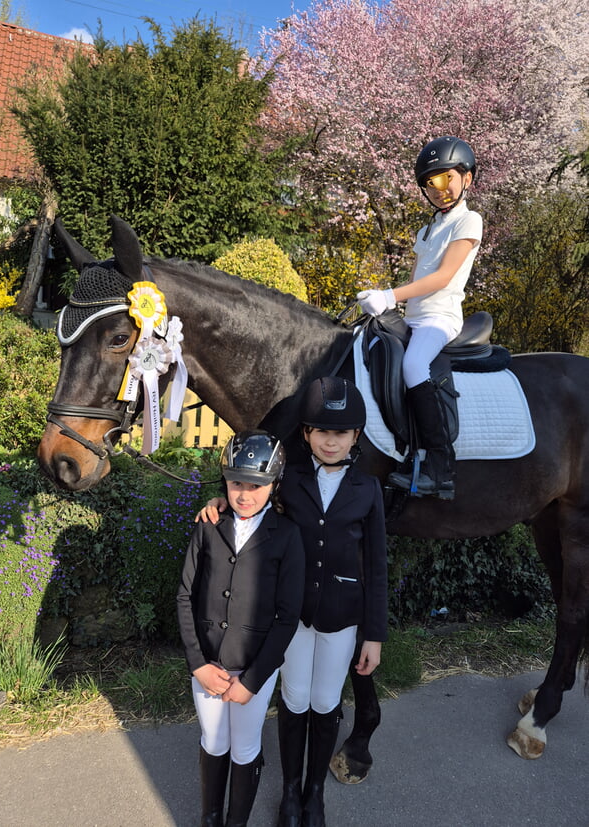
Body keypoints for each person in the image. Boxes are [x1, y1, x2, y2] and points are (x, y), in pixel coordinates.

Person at [198, 378, 387, 827]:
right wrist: (218, 505)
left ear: (355, 437)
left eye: (340, 433)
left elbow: (376, 566)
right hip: (293, 615)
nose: (330, 440)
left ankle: (314, 793)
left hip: (342, 617)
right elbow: (250, 501)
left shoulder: (368, 490)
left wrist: (374, 634)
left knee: (325, 702)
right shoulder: (289, 481)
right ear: (305, 434)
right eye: (321, 431)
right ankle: (287, 792)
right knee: (295, 698)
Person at [177, 430, 305, 827]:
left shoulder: (287, 536)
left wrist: (251, 680)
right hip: (209, 666)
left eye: (255, 485)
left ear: (273, 485)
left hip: (256, 669)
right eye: (236, 484)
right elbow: (185, 595)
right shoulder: (208, 526)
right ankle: (211, 818)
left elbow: (288, 617)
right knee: (213, 741)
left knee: (245, 747)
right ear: (224, 483)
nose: (244, 494)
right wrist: (197, 663)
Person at [357, 135, 483, 500]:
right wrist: (390, 306)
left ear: (466, 179)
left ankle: (441, 466)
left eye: (447, 179)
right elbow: (417, 278)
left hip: (441, 317)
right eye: (431, 183)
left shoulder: (469, 221)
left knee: (414, 366)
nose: (439, 189)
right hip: (414, 317)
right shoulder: (427, 229)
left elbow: (442, 278)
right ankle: (402, 449)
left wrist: (388, 296)